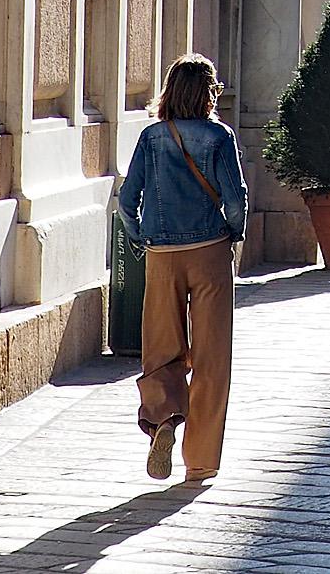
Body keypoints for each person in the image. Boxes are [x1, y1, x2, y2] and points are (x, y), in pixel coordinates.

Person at [115, 53, 248, 483]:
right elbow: (236, 198)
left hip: (162, 254)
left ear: (170, 91)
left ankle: (164, 417)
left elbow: (126, 199)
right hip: (210, 250)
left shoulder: (152, 137)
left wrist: (141, 236)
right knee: (212, 357)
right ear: (209, 94)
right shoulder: (219, 136)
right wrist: (232, 234)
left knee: (160, 347)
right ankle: (201, 461)